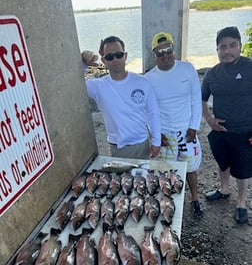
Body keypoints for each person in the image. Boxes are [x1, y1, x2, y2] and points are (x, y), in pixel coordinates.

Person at [145, 32, 203, 217]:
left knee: (191, 169)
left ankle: (195, 200)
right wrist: (155, 133)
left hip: (187, 131)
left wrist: (194, 126)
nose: (165, 55)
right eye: (159, 52)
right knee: (165, 171)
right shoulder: (148, 78)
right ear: (153, 55)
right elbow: (147, 109)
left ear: (173, 50)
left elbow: (196, 98)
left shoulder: (187, 69)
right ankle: (167, 203)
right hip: (164, 133)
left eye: (168, 50)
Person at [202, 26, 252, 224]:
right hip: (220, 131)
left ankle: (241, 202)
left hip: (245, 130)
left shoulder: (249, 67)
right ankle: (224, 189)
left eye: (232, 45)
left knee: (242, 170)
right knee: (223, 163)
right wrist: (209, 119)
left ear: (240, 46)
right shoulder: (212, 74)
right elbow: (202, 99)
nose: (228, 51)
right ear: (217, 50)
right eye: (223, 47)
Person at [82, 35, 161, 160]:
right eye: (109, 57)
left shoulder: (142, 81)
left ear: (125, 56)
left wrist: (157, 141)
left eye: (119, 55)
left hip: (142, 144)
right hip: (118, 147)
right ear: (104, 60)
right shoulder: (98, 86)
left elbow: (153, 112)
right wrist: (84, 62)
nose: (115, 60)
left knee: (143, 178)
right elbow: (72, 82)